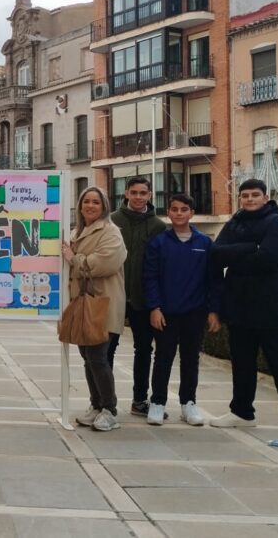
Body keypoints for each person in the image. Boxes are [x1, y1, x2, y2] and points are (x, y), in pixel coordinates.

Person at [208, 179, 278, 442]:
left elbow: (270, 258)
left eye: (255, 195)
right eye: (245, 195)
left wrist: (239, 256)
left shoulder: (275, 223)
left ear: (265, 197)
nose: (250, 199)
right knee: (242, 365)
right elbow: (217, 253)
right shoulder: (235, 222)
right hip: (241, 309)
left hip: (273, 309)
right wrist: (250, 248)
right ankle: (242, 412)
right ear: (240, 199)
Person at [142, 193, 214, 426]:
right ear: (168, 213)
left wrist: (214, 311)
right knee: (163, 357)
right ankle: (158, 403)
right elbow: (150, 278)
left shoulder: (204, 243)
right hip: (166, 312)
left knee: (190, 358)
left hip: (195, 312)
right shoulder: (159, 243)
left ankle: (188, 404)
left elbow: (213, 280)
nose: (179, 213)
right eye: (175, 209)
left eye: (184, 209)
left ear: (192, 213)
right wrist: (154, 307)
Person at [62, 186, 128, 432]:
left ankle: (110, 409)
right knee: (88, 358)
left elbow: (103, 263)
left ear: (104, 207)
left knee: (99, 358)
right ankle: (96, 405)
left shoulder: (111, 232)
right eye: (86, 201)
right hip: (81, 305)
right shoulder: (76, 232)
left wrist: (73, 258)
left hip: (103, 304)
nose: (90, 206)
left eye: (96, 202)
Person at [109, 176, 167, 417]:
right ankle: (105, 400)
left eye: (143, 193)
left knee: (143, 350)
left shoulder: (158, 226)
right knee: (106, 350)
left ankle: (139, 400)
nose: (138, 197)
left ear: (150, 195)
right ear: (126, 194)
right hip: (114, 296)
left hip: (144, 299)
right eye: (134, 192)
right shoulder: (111, 221)